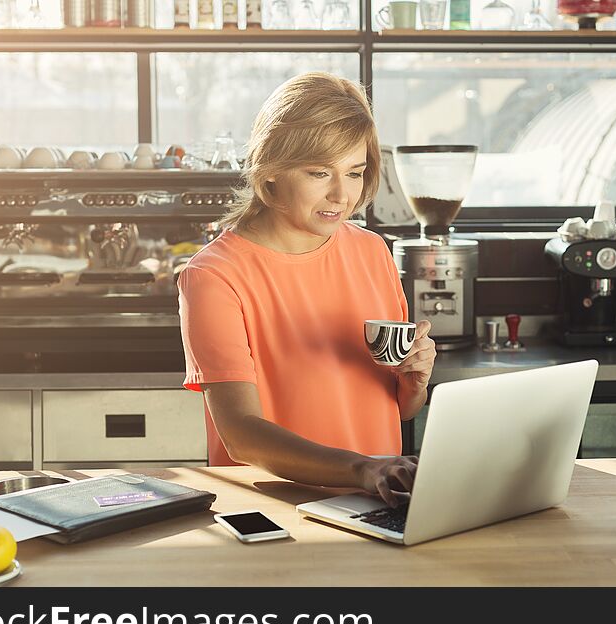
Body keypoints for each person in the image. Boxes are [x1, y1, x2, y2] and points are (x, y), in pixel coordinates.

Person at [178, 72, 436, 507]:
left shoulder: (372, 251)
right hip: (279, 511)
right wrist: (364, 468)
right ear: (272, 170)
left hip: (379, 503)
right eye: (319, 172)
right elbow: (241, 435)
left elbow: (401, 409)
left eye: (354, 173)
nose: (341, 195)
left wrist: (414, 383)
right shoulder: (214, 276)